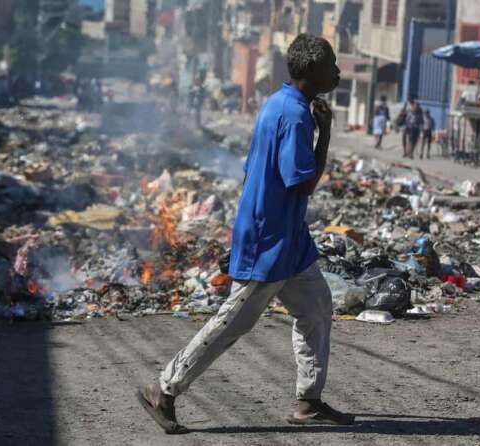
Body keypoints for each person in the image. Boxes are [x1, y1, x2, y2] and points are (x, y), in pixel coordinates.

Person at [136, 34, 353, 435]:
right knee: (233, 321)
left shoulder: (279, 103)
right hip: (269, 240)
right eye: (332, 65)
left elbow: (253, 169)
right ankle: (164, 390)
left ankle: (308, 401)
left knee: (317, 308)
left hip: (289, 238)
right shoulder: (296, 115)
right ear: (311, 71)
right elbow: (301, 183)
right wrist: (325, 135)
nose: (338, 72)